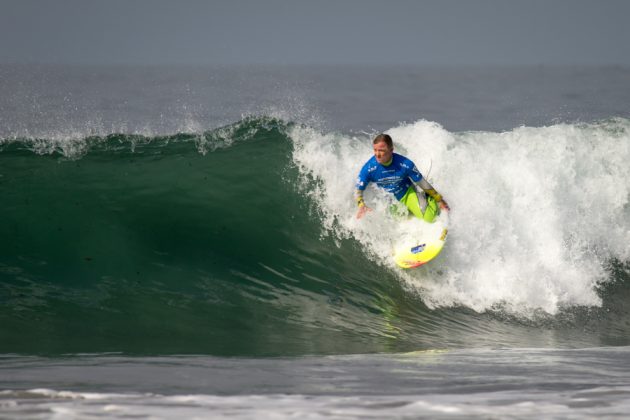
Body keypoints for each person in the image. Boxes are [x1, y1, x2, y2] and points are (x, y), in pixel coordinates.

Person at [355, 134, 450, 220]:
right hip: (389, 201)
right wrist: (361, 204)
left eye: (381, 150)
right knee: (400, 224)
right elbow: (359, 190)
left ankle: (429, 198)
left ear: (391, 150)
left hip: (407, 194)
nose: (377, 154)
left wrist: (440, 200)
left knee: (429, 218)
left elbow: (421, 182)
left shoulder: (405, 164)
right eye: (375, 150)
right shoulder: (369, 168)